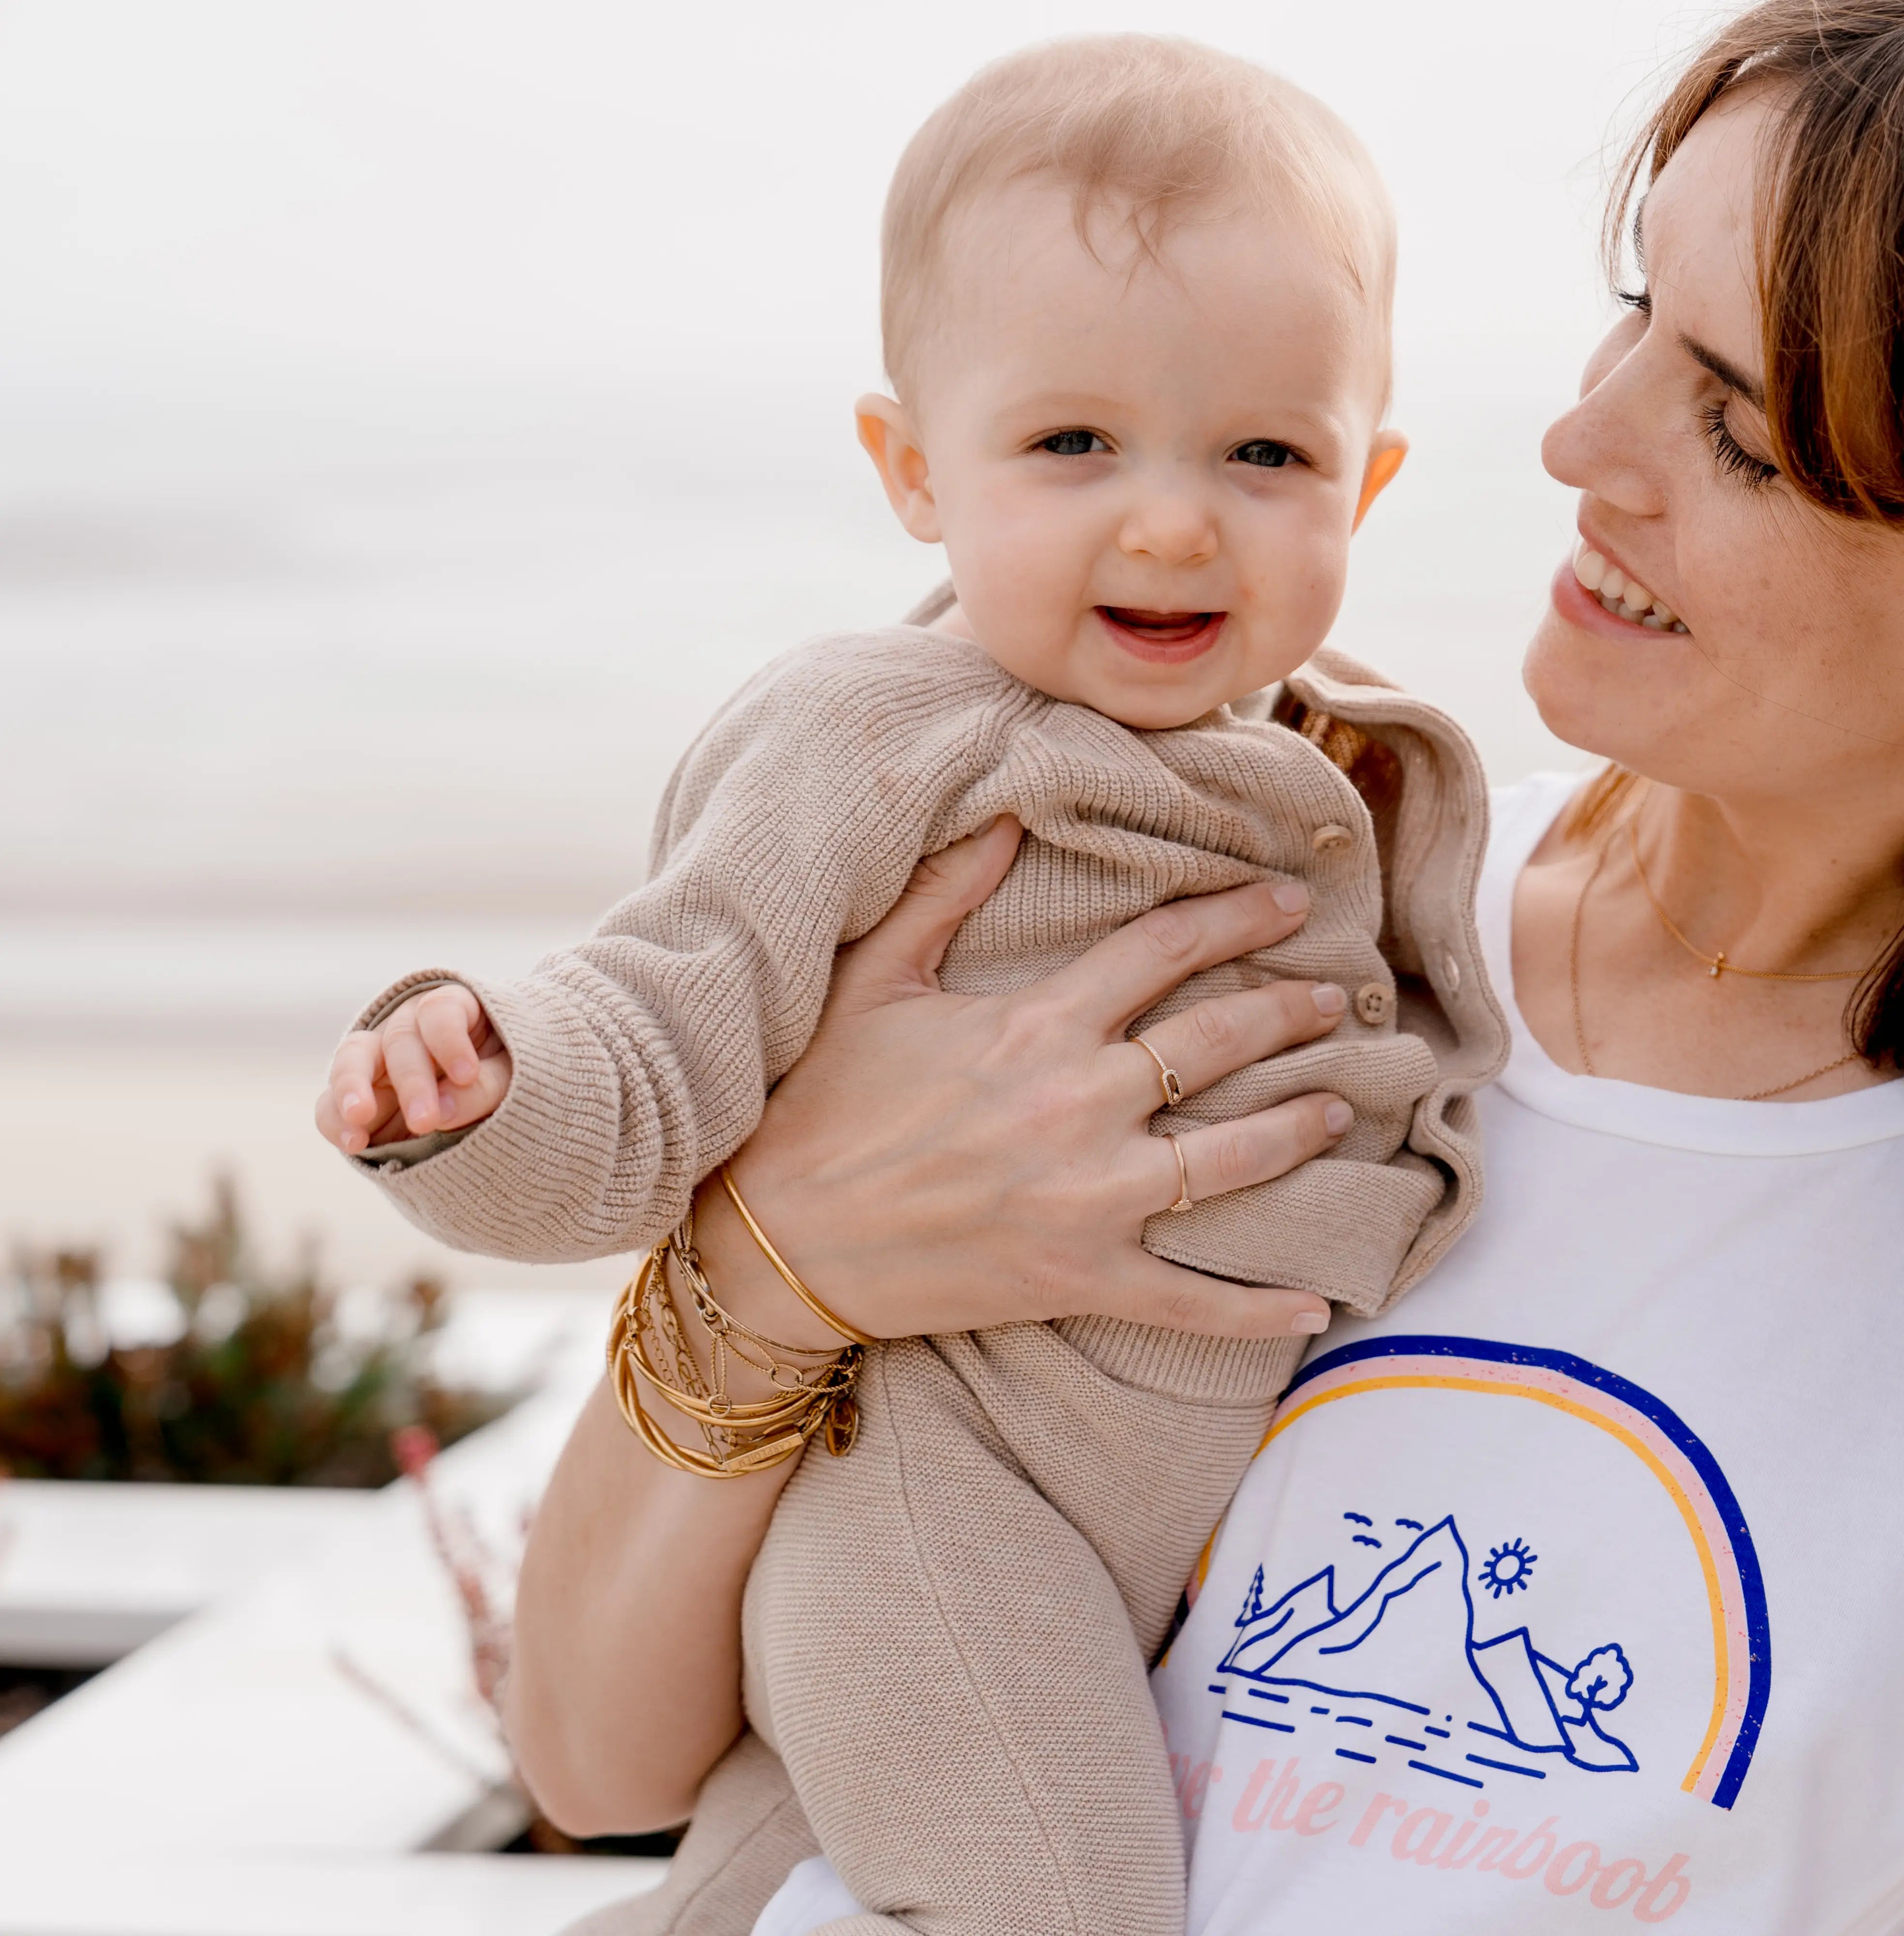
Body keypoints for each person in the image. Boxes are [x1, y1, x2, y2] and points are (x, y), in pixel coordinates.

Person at [507, 1, 1904, 1930]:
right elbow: (600, 1758)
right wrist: (768, 1273)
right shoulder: (1226, 947)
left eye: (1743, 431)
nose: (1579, 443)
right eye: (1636, 315)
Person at [309, 36, 1509, 1936]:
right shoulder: (879, 739)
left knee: (850, 1857)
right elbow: (666, 1011)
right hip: (944, 1501)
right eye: (1072, 445)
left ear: (1368, 474)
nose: (1176, 520)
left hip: (1148, 1517)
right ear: (910, 471)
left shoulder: (1349, 764)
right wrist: (480, 1085)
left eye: (1265, 454)